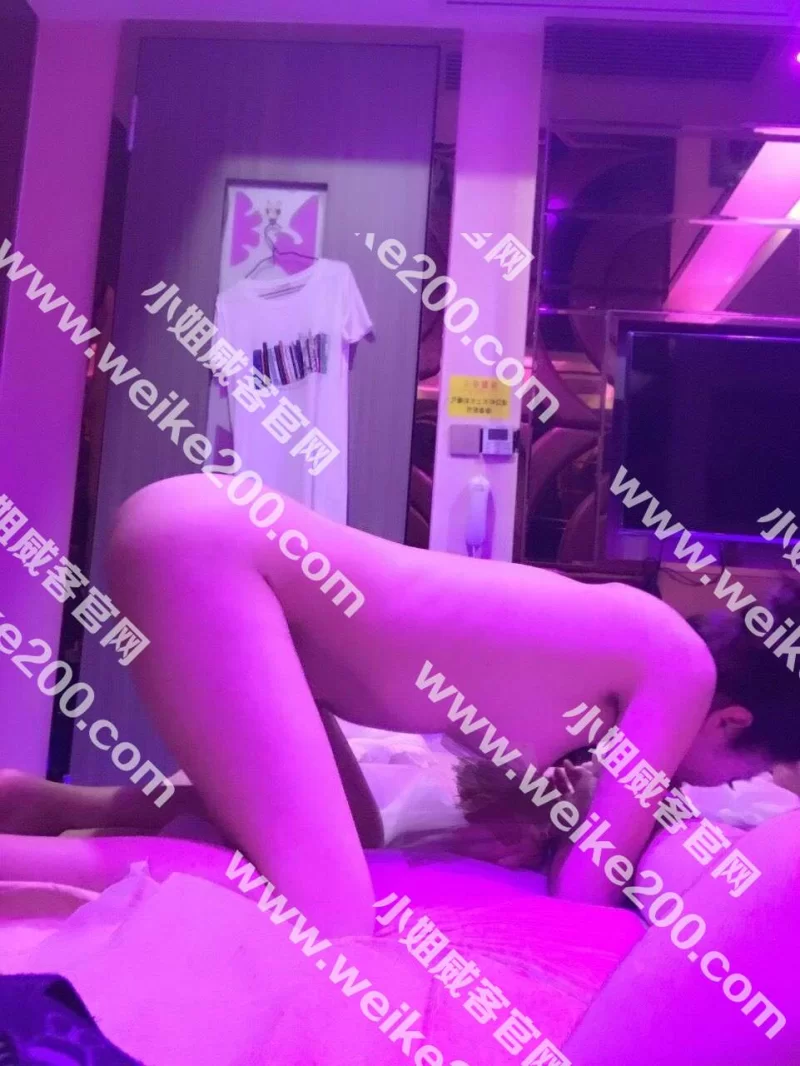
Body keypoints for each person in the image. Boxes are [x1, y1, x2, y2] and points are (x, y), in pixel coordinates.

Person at [4, 473, 799, 938]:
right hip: (216, 558)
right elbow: (585, 894)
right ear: (733, 722)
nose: (719, 787)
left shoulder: (640, 646)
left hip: (220, 548)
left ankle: (53, 805)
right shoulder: (682, 669)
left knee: (354, 834)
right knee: (330, 912)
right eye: (740, 774)